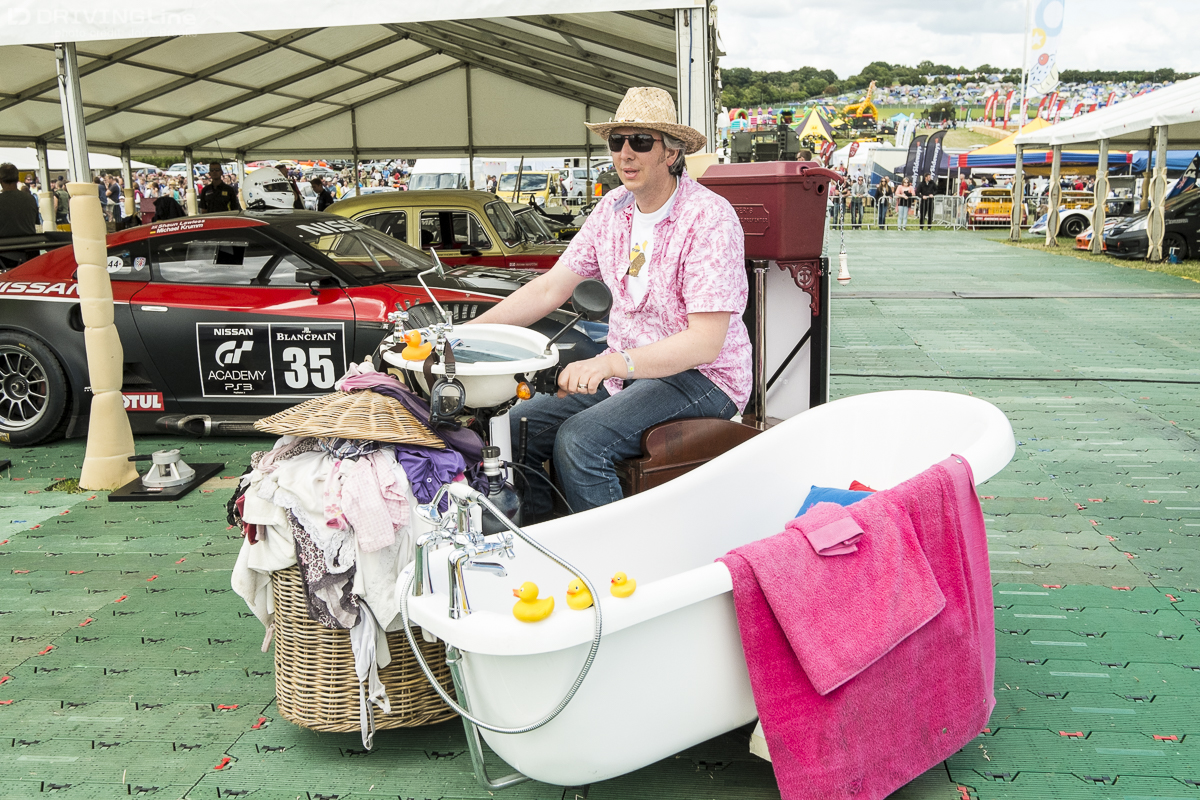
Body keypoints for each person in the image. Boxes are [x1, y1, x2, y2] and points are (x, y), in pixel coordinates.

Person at [469, 86, 749, 519]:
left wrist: (611, 364)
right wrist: (467, 335)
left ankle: (613, 556)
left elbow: (705, 343)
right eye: (617, 141)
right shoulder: (612, 209)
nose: (625, 153)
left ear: (671, 153)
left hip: (703, 377)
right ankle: (545, 542)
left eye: (641, 141)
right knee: (516, 426)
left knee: (581, 441)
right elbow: (550, 288)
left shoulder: (709, 217)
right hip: (630, 370)